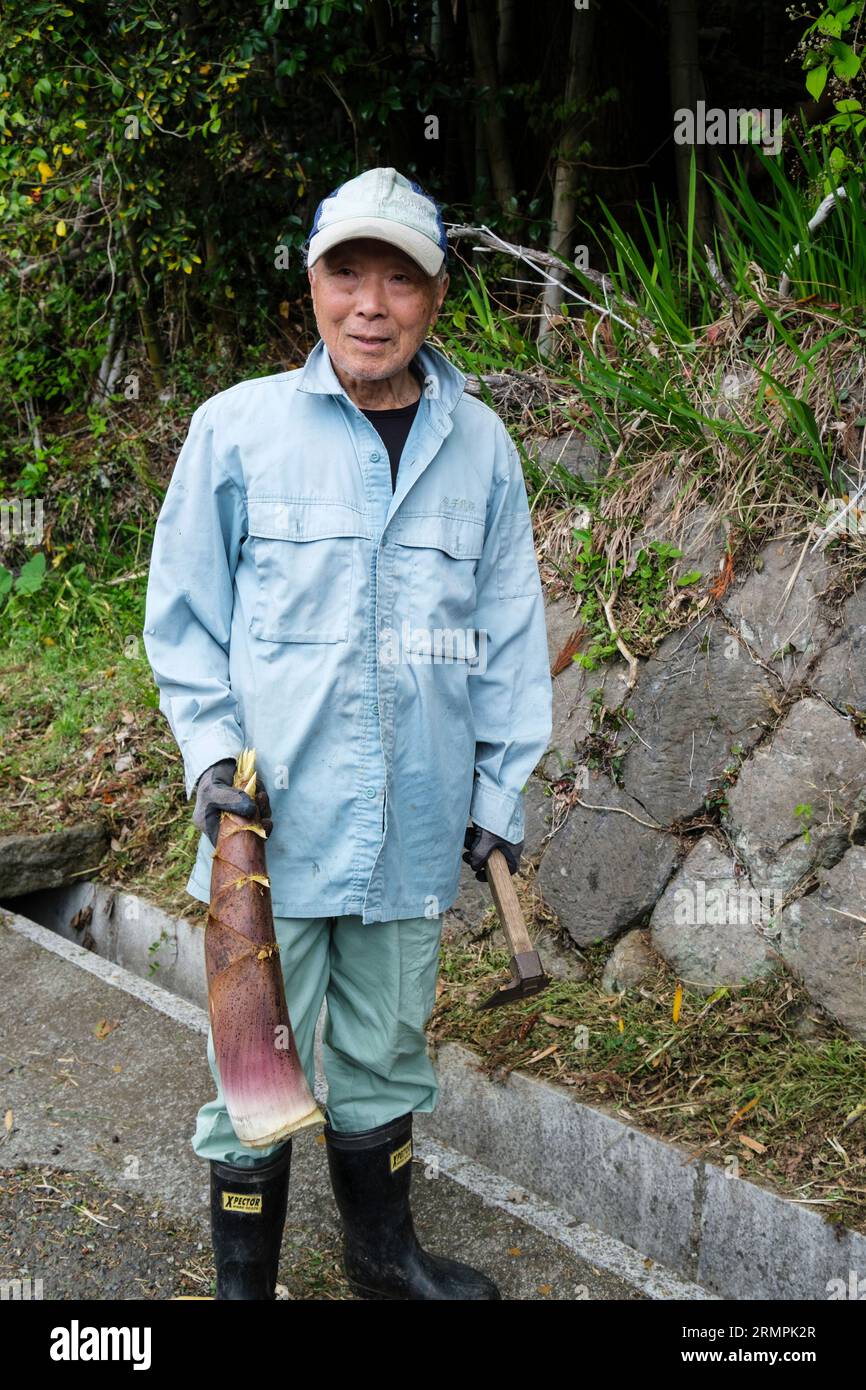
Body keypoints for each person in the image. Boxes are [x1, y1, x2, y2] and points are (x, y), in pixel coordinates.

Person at [143, 166, 552, 1300]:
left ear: (435, 295)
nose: (369, 304)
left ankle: (383, 1259)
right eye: (346, 273)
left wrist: (496, 797)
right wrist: (209, 759)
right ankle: (244, 1287)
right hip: (264, 837)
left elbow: (509, 638)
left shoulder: (482, 449)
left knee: (384, 1054)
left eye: (399, 278)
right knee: (252, 1073)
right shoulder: (237, 432)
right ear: (311, 282)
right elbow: (183, 623)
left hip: (413, 824)